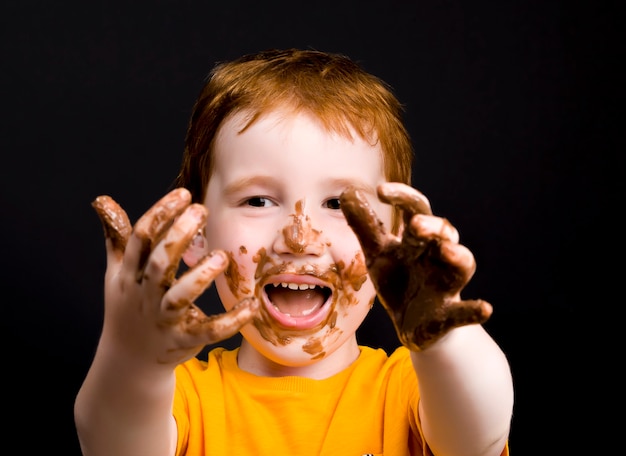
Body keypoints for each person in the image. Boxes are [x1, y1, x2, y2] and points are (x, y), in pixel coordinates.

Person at [74, 48, 514, 456]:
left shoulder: (411, 388)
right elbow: (111, 441)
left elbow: (481, 435)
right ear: (197, 235)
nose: (300, 238)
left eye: (340, 204)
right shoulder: (179, 399)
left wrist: (442, 339)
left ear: (396, 238)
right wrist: (131, 360)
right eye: (258, 201)